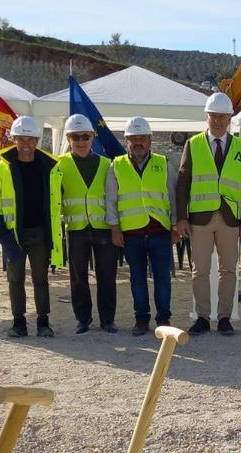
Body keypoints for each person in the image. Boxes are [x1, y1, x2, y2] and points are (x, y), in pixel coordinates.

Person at [175, 92, 241, 337]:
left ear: (230, 118)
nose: (218, 121)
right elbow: (183, 183)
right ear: (207, 117)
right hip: (199, 218)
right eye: (213, 116)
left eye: (222, 116)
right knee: (200, 270)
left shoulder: (240, 146)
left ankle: (225, 317)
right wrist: (181, 218)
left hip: (230, 219)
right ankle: (203, 317)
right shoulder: (193, 144)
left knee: (229, 270)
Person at [0, 116, 62, 338]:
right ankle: (19, 323)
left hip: (39, 233)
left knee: (41, 279)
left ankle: (43, 323)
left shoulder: (50, 167)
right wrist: (5, 238)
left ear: (37, 140)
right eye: (22, 140)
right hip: (15, 234)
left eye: (31, 140)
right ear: (13, 139)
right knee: (15, 279)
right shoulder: (2, 168)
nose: (27, 145)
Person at [106, 116, 179, 336]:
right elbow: (111, 201)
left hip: (160, 232)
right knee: (137, 278)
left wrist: (175, 226)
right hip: (132, 234)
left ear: (150, 140)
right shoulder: (116, 166)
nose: (138, 142)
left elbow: (173, 197)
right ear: (126, 140)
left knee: (162, 278)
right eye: (133, 138)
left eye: (142, 138)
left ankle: (164, 319)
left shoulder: (163, 164)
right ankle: (141, 320)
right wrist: (115, 229)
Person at [56, 114, 117, 334]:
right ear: (69, 139)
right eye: (76, 137)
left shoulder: (106, 164)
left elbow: (113, 198)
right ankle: (83, 319)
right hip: (76, 230)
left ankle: (107, 320)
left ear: (92, 137)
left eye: (85, 136)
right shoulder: (59, 165)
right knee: (78, 278)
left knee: (107, 276)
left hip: (103, 228)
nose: (81, 142)